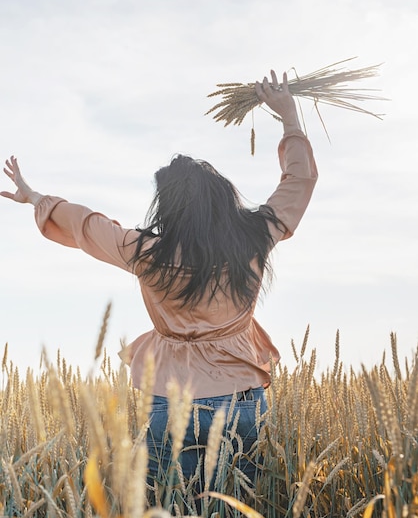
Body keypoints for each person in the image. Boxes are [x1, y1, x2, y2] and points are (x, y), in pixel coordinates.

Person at [1, 70, 317, 492]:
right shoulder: (254, 237)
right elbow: (298, 182)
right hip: (244, 398)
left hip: (173, 401)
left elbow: (85, 223)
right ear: (220, 198)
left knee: (171, 505)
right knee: (241, 505)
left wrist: (34, 197)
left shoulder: (148, 253)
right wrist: (290, 117)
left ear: (166, 208)